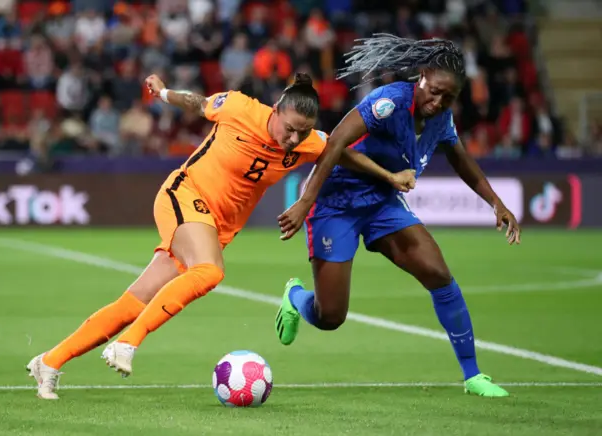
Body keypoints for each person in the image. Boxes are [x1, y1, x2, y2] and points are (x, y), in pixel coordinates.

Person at [26, 72, 416, 400]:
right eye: (290, 128)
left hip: (213, 225)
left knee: (133, 302)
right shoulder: (240, 108)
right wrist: (162, 92)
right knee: (210, 271)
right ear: (276, 110)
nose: (294, 140)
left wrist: (389, 176)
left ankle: (50, 362)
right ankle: (129, 343)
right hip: (184, 193)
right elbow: (197, 103)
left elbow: (342, 153)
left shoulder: (309, 142)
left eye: (302, 133)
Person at [274, 35, 521, 397]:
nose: (438, 102)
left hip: (382, 203)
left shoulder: (441, 119)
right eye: (435, 91)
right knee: (330, 317)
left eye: (448, 98)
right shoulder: (389, 102)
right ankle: (295, 297)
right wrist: (304, 202)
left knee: (438, 272)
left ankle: (473, 375)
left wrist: (495, 202)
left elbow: (461, 160)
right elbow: (335, 143)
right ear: (421, 77)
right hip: (337, 202)